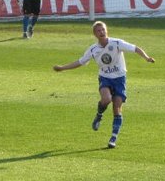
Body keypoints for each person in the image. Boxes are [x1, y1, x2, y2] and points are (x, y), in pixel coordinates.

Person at [52, 21, 155, 149]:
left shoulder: (117, 43)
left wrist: (146, 57)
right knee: (106, 99)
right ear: (95, 34)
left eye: (103, 30)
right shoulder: (93, 49)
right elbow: (80, 62)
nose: (102, 32)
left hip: (120, 79)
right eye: (99, 31)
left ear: (107, 31)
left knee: (117, 108)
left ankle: (113, 137)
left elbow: (135, 48)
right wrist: (62, 68)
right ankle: (99, 115)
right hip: (105, 78)